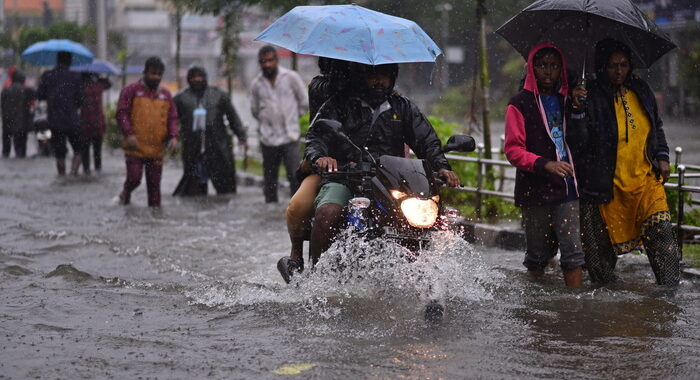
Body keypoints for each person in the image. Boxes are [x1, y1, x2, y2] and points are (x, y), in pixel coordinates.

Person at [301, 62, 460, 271]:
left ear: (393, 77)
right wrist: (320, 157)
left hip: (390, 181)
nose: (379, 81)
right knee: (327, 212)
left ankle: (434, 275)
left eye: (385, 76)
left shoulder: (403, 107)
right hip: (346, 177)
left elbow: (426, 141)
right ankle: (316, 274)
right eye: (373, 75)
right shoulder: (339, 104)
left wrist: (441, 167)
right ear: (361, 76)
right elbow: (317, 137)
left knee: (433, 218)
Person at [568, 39, 680, 286]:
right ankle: (606, 311)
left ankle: (670, 296)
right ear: (601, 67)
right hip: (603, 187)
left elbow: (656, 126)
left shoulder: (641, 89)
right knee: (600, 264)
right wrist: (577, 109)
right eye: (612, 66)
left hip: (645, 181)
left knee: (663, 239)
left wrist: (662, 156)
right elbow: (578, 144)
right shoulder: (590, 95)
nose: (619, 71)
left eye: (624, 65)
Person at [504, 43, 586, 287]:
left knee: (573, 254)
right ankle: (536, 304)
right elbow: (512, 150)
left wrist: (580, 110)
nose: (548, 72)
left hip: (567, 188)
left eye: (553, 66)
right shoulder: (519, 104)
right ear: (532, 69)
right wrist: (545, 164)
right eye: (542, 66)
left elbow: (583, 142)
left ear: (561, 69)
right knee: (537, 255)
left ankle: (576, 305)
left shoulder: (568, 101)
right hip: (534, 189)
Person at [280, 58, 350, 281]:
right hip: (325, 163)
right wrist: (319, 158)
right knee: (298, 206)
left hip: (365, 168)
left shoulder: (383, 97)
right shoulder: (322, 87)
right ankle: (297, 255)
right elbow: (317, 134)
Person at [173, 66, 247, 196]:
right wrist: (172, 137)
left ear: (205, 78)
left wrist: (242, 137)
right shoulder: (181, 99)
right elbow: (172, 121)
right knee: (194, 193)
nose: (197, 80)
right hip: (193, 153)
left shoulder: (219, 95)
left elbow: (233, 117)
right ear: (189, 79)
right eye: (194, 77)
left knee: (226, 191)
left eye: (200, 76)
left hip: (217, 150)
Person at [116, 57, 178, 207]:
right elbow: (122, 113)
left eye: (159, 74)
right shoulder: (131, 91)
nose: (156, 77)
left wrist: (173, 137)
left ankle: (155, 222)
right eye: (153, 73)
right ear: (144, 72)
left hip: (157, 148)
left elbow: (172, 117)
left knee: (155, 189)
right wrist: (128, 134)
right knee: (134, 178)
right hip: (135, 146)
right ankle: (126, 192)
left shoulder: (166, 95)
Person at [249, 45, 309, 203]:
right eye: (263, 61)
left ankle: (297, 210)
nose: (267, 64)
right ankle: (270, 211)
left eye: (270, 60)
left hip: (290, 136)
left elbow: (304, 102)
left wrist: (292, 117)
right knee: (269, 181)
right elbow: (255, 110)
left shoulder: (291, 77)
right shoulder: (256, 84)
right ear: (259, 63)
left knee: (295, 176)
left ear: (276, 60)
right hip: (268, 139)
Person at [37, 51, 84, 175]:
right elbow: (80, 100)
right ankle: (73, 173)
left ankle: (62, 175)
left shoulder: (48, 75)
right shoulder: (76, 76)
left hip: (54, 120)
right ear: (70, 61)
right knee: (79, 150)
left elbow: (40, 95)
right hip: (72, 120)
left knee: (59, 153)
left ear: (57, 60)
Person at [79, 73, 112, 173]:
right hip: (98, 123)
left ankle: (86, 170)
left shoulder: (81, 87)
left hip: (85, 124)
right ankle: (98, 169)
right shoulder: (98, 85)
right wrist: (101, 78)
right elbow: (109, 84)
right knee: (97, 151)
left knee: (85, 151)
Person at [1, 70, 36, 158]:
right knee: (21, 142)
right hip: (22, 121)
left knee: (6, 140)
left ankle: (6, 153)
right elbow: (36, 97)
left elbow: (1, 104)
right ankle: (20, 154)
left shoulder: (6, 90)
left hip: (7, 120)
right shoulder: (27, 90)